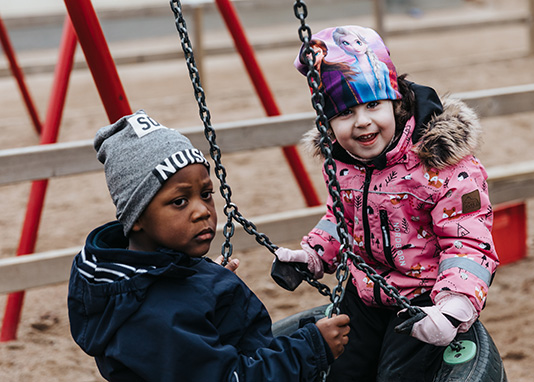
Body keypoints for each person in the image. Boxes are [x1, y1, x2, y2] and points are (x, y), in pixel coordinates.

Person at [278, 26, 499, 381]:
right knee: (342, 372)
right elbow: (340, 217)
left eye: (373, 105)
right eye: (345, 113)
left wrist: (455, 305)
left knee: (398, 376)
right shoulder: (342, 163)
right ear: (328, 121)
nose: (362, 121)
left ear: (394, 102)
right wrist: (314, 254)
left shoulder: (443, 167)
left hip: (423, 301)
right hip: (363, 296)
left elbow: (468, 241)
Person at [67, 110, 350, 382]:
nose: (202, 211)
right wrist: (310, 349)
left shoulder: (154, 270)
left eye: (206, 194)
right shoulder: (159, 319)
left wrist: (200, 283)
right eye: (180, 201)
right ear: (136, 216)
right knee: (333, 329)